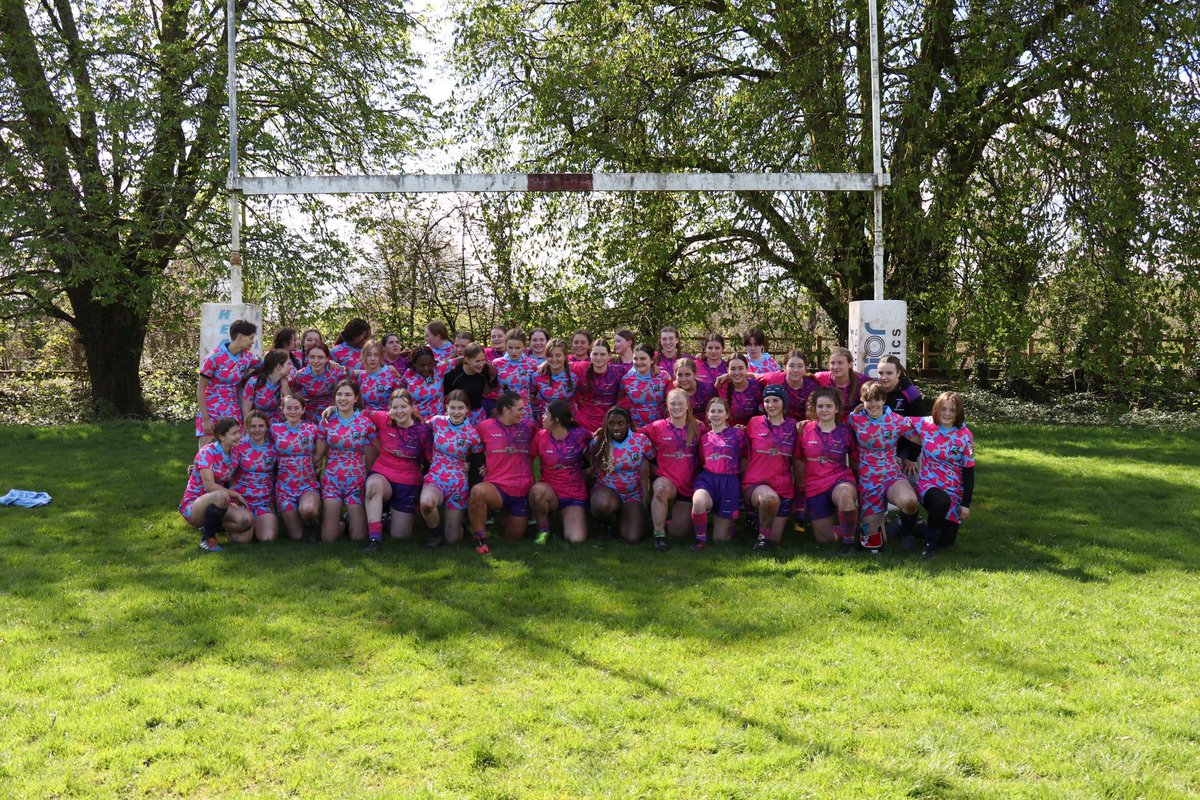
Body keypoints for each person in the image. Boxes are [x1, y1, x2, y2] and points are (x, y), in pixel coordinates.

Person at [847, 382, 921, 553]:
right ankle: (896, 526)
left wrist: (951, 438)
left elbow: (921, 438)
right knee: (873, 545)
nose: (873, 404)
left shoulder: (896, 420)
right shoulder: (855, 419)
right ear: (862, 400)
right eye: (868, 400)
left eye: (877, 399)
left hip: (891, 476)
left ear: (883, 400)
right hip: (868, 481)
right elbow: (835, 427)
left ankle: (909, 531)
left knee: (909, 502)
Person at [467, 392, 539, 552]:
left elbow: (549, 436)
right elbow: (471, 448)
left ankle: (503, 520)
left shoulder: (530, 427)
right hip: (497, 488)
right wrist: (478, 465)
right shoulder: (485, 426)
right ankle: (479, 539)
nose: (523, 413)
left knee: (513, 538)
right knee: (477, 492)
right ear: (506, 410)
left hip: (522, 490)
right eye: (519, 409)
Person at [907, 391, 975, 558]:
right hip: (928, 484)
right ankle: (929, 547)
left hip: (953, 490)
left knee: (946, 542)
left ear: (958, 412)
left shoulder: (965, 435)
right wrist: (875, 410)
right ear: (937, 409)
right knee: (940, 501)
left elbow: (969, 471)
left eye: (952, 410)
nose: (947, 414)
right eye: (943, 409)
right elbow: (897, 422)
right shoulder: (926, 424)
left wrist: (965, 504)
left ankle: (912, 526)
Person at [362, 389, 431, 552]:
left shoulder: (423, 431)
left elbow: (431, 459)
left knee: (400, 536)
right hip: (383, 474)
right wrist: (333, 409)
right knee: (373, 485)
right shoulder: (383, 418)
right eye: (395, 407)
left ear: (412, 408)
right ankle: (374, 539)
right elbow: (358, 412)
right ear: (389, 409)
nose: (399, 411)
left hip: (408, 481)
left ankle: (386, 516)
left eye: (404, 407)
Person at [796, 388, 860, 555]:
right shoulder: (804, 430)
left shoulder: (846, 432)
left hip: (839, 479)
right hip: (815, 484)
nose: (824, 410)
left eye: (829, 406)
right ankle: (851, 526)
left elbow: (854, 460)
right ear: (814, 408)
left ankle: (848, 542)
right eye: (820, 406)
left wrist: (860, 486)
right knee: (823, 538)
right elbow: (799, 460)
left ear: (837, 408)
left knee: (845, 494)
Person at [179, 417, 253, 551]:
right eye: (234, 433)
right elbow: (209, 486)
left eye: (238, 432)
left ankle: (208, 526)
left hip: (218, 499)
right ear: (221, 436)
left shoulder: (235, 454)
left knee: (245, 520)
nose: (238, 436)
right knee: (221, 495)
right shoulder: (207, 452)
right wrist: (234, 494)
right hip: (194, 504)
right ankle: (208, 540)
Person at [645, 389, 706, 551]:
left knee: (678, 532)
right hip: (667, 479)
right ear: (667, 405)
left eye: (680, 403)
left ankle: (662, 518)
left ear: (687, 405)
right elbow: (634, 435)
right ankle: (659, 535)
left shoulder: (699, 428)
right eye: (673, 403)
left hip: (688, 485)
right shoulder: (657, 427)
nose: (676, 407)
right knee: (660, 489)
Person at [742, 384, 801, 551]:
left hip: (783, 487)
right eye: (767, 401)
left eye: (775, 400)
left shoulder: (794, 426)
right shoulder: (753, 423)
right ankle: (761, 538)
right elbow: (744, 453)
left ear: (784, 403)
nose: (771, 404)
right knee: (769, 499)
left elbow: (798, 460)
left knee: (774, 538)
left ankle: (758, 523)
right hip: (756, 484)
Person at [420, 390, 483, 548]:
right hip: (436, 477)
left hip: (458, 484)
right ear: (446, 407)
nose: (456, 412)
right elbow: (420, 435)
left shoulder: (472, 434)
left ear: (467, 409)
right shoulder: (436, 422)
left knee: (452, 540)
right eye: (452, 408)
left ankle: (461, 523)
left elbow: (478, 461)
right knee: (427, 503)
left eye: (460, 408)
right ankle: (435, 534)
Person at [317, 379, 375, 542]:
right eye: (339, 394)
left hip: (356, 480)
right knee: (328, 538)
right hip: (332, 480)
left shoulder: (366, 423)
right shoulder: (327, 421)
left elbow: (371, 455)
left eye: (348, 395)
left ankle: (352, 519)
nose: (343, 398)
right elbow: (318, 454)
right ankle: (341, 523)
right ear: (334, 398)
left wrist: (368, 479)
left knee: (358, 537)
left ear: (356, 398)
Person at [530, 399, 593, 544]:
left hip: (574, 495)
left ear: (556, 420)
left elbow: (596, 445)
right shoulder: (540, 436)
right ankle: (543, 528)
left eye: (546, 415)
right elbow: (529, 460)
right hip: (549, 490)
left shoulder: (580, 435)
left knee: (576, 539)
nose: (542, 417)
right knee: (536, 492)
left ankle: (581, 515)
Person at [589, 406, 653, 544]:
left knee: (633, 537)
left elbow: (652, 461)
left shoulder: (641, 441)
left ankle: (623, 517)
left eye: (620, 423)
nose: (616, 428)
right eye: (611, 424)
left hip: (631, 494)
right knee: (602, 503)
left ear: (628, 423)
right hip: (607, 491)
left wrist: (647, 496)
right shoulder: (598, 442)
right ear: (606, 424)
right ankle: (606, 523)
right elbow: (586, 467)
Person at [690, 397, 747, 549]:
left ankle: (730, 524)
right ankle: (700, 540)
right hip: (708, 480)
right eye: (712, 411)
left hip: (729, 482)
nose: (716, 414)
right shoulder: (704, 438)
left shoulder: (738, 434)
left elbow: (744, 457)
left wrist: (739, 482)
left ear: (727, 414)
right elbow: (703, 460)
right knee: (698, 502)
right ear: (707, 414)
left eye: (720, 411)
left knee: (720, 539)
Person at [196, 318, 260, 446]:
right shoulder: (214, 357)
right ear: (240, 337)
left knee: (233, 454)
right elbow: (201, 390)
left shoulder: (248, 357)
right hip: (211, 411)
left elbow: (270, 365)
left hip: (232, 411)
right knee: (207, 454)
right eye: (251, 338)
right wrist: (205, 419)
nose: (253, 342)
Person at [272, 395, 322, 540]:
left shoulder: (312, 429)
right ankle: (304, 525)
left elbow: (321, 450)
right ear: (282, 410)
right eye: (288, 408)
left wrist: (316, 465)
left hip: (307, 484)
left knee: (308, 510)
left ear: (303, 410)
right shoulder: (274, 429)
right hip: (284, 487)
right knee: (296, 536)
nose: (292, 411)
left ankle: (312, 522)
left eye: (296, 408)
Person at [230, 410, 279, 543]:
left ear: (267, 427)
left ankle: (258, 521)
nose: (257, 430)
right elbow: (225, 471)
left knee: (267, 538)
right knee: (242, 540)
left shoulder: (274, 448)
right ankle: (237, 521)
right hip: (241, 500)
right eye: (253, 426)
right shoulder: (238, 448)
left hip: (264, 501)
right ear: (246, 427)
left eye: (261, 426)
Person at [874, 354, 924, 477]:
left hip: (906, 447)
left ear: (898, 373)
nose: (884, 377)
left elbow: (919, 425)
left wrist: (912, 457)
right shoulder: (874, 391)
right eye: (880, 373)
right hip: (879, 448)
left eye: (889, 373)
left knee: (911, 484)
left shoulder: (911, 393)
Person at [570, 339, 626, 433]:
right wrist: (545, 364)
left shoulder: (619, 371)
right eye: (595, 354)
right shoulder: (581, 367)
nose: (598, 357)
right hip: (585, 423)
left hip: (611, 423)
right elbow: (559, 365)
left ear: (609, 356)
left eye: (603, 354)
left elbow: (638, 374)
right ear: (589, 355)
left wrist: (654, 368)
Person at [492, 328, 541, 425]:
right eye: (510, 347)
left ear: (524, 347)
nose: (513, 351)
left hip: (524, 410)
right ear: (506, 345)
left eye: (517, 348)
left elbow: (536, 388)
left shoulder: (532, 364)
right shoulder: (497, 363)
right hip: (504, 409)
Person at [289, 343, 346, 424]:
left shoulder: (336, 372)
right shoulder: (301, 375)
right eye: (312, 357)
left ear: (327, 359)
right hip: (309, 416)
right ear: (307, 358)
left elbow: (355, 373)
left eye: (320, 357)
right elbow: (291, 392)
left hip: (333, 413)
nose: (316, 361)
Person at [619, 343, 673, 430]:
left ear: (652, 360)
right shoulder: (626, 380)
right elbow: (621, 406)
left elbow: (672, 403)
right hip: (636, 429)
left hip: (660, 428)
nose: (639, 362)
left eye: (643, 358)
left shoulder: (664, 377)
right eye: (635, 359)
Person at [443, 343, 497, 425]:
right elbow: (446, 397)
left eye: (483, 360)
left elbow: (487, 391)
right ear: (467, 360)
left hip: (478, 414)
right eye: (477, 361)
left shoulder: (485, 371)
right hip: (458, 414)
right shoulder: (453, 374)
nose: (481, 364)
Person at [815, 346, 873, 420]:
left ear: (850, 364)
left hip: (854, 424)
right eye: (832, 363)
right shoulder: (821, 377)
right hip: (829, 424)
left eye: (840, 363)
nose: (836, 367)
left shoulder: (863, 381)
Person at [239, 349, 292, 424]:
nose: (291, 367)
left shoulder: (287, 380)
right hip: (258, 425)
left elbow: (291, 405)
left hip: (278, 425)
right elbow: (246, 411)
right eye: (288, 364)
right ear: (279, 366)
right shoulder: (254, 382)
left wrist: (284, 384)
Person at [401, 346, 452, 421]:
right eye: (422, 365)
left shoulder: (439, 370)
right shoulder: (408, 374)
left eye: (429, 364)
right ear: (414, 364)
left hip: (438, 422)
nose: (426, 368)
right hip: (415, 422)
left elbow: (462, 358)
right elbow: (399, 391)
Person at [531, 338, 575, 424]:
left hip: (569, 423)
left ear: (565, 356)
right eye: (550, 355)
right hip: (545, 422)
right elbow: (531, 397)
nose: (554, 359)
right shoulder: (537, 376)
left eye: (558, 355)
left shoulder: (574, 375)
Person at [718, 353, 764, 427]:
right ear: (727, 369)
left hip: (754, 430)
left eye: (741, 368)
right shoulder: (721, 386)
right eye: (733, 369)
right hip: (728, 432)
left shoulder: (757, 386)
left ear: (747, 368)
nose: (737, 373)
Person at [355, 340, 402, 412]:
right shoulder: (361, 376)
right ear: (364, 356)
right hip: (366, 418)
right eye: (369, 355)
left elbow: (400, 401)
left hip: (387, 418)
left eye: (376, 355)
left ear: (381, 357)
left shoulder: (391, 375)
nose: (372, 358)